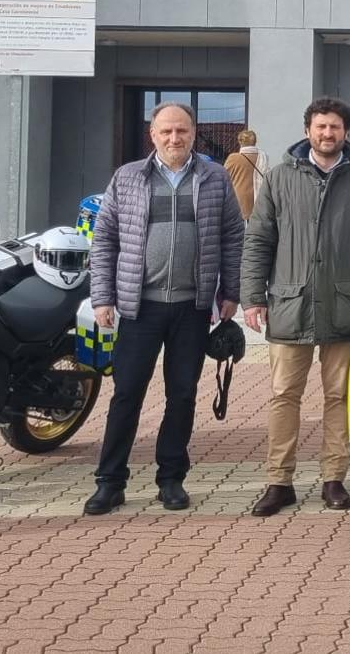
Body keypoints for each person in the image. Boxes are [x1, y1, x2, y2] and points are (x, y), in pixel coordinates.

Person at [85, 102, 245, 515]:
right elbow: (104, 242)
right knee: (126, 395)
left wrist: (232, 291)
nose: (175, 138)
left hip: (192, 308)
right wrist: (103, 297)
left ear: (194, 133)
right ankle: (111, 481)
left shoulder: (214, 177)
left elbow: (232, 236)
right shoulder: (127, 178)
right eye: (166, 132)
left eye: (182, 131)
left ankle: (171, 478)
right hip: (140, 308)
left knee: (183, 394)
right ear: (152, 135)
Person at [242, 97, 350, 517]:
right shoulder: (278, 178)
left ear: (346, 131)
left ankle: (334, 480)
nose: (327, 134)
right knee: (282, 395)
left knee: (339, 396)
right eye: (320, 127)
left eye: (334, 127)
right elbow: (258, 241)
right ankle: (279, 482)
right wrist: (253, 296)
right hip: (289, 304)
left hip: (346, 306)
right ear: (308, 130)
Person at [224, 128, 269, 220]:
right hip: (260, 201)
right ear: (255, 142)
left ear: (240, 142)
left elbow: (223, 178)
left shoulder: (233, 158)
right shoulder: (263, 157)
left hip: (239, 203)